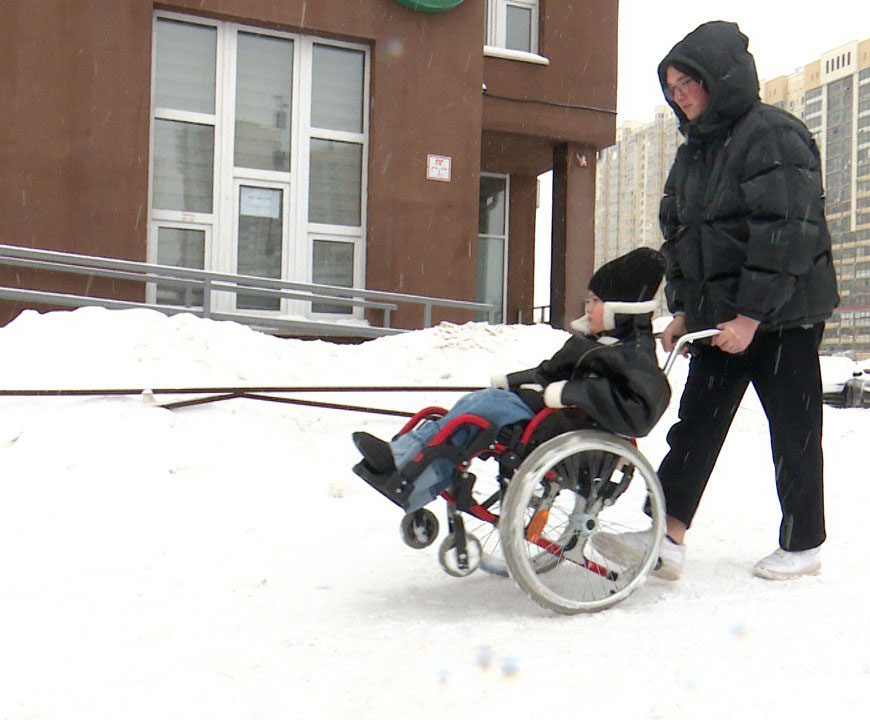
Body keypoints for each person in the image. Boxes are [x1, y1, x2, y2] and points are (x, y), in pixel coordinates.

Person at [595, 21, 839, 582]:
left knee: (793, 430)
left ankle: (803, 544)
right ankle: (666, 537)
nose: (679, 96)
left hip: (783, 317)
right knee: (697, 424)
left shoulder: (773, 135)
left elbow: (787, 231)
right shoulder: (695, 154)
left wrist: (751, 316)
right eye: (671, 88)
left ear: (720, 78)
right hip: (719, 319)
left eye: (687, 83)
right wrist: (683, 310)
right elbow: (683, 237)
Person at [352, 247, 671, 514]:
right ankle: (402, 458)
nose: (587, 308)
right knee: (472, 406)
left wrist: (570, 393)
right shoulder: (587, 345)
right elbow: (547, 372)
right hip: (549, 420)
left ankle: (408, 470)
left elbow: (638, 413)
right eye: (587, 300)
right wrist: (512, 380)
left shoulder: (634, 355)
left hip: (567, 431)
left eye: (595, 302)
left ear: (620, 309)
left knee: (479, 411)